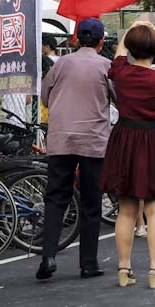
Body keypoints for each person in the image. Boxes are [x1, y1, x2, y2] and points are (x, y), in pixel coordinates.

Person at [101, 21, 155, 289]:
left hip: (124, 140)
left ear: (132, 47)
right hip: (154, 142)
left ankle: (124, 269)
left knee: (126, 209)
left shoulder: (121, 73)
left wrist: (134, 26)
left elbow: (119, 55)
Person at [36, 17, 113, 281]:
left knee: (56, 198)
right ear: (102, 42)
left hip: (60, 139)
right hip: (93, 141)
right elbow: (118, 100)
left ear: (76, 39)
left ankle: (48, 255)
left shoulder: (61, 64)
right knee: (92, 202)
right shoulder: (106, 67)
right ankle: (88, 264)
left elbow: (45, 96)